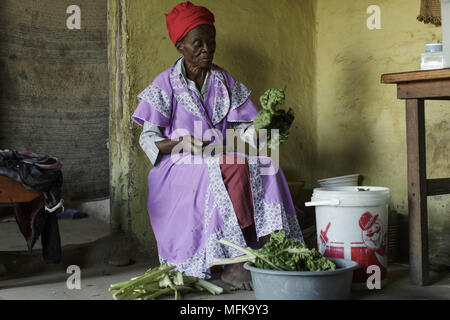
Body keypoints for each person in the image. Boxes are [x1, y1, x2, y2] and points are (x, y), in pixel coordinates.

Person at [132, 1, 303, 290]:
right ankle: (233, 262)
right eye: (197, 44)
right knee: (233, 165)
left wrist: (260, 131)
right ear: (180, 46)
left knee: (266, 165)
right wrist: (181, 142)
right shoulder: (165, 84)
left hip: (216, 156)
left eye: (211, 43)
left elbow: (245, 127)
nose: (206, 50)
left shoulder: (224, 81)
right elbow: (147, 139)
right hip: (177, 164)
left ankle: (270, 248)